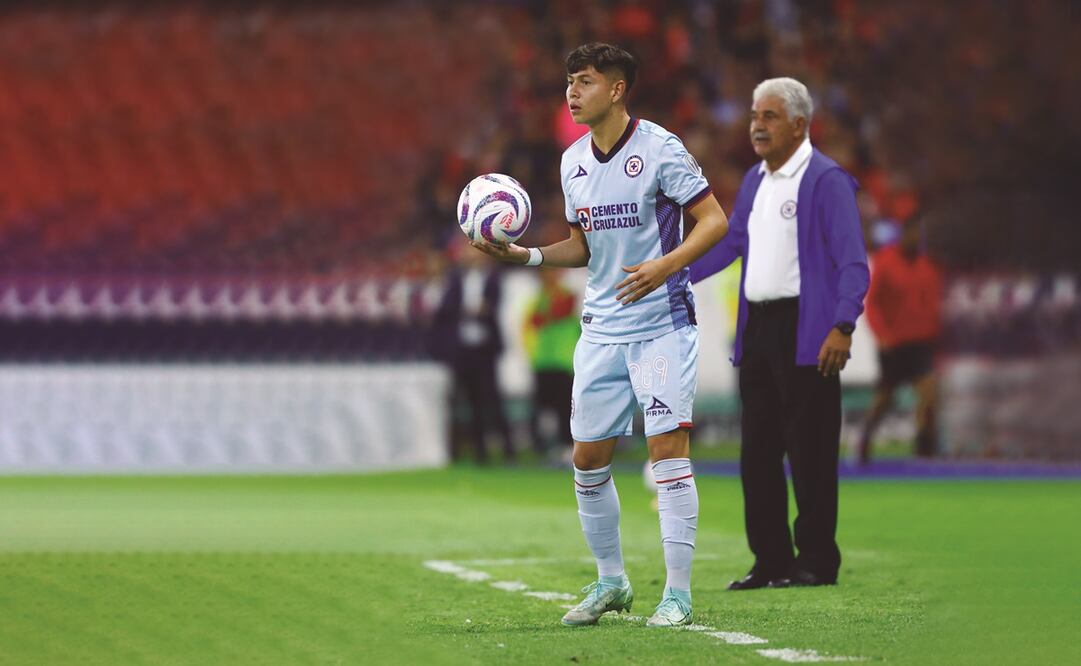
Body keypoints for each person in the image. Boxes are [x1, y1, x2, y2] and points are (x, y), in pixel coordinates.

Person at [471, 42, 729, 627]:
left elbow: (714, 220)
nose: (572, 91)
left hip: (661, 323)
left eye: (585, 80)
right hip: (601, 328)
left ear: (616, 90)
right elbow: (582, 247)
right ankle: (612, 582)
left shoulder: (661, 148)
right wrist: (526, 255)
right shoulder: (572, 162)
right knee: (587, 460)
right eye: (569, 81)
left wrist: (666, 265)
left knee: (667, 451)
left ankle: (678, 595)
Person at [690, 77, 869, 590]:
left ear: (798, 124)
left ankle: (816, 560)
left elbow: (853, 263)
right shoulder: (755, 180)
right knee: (758, 454)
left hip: (807, 329)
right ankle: (770, 559)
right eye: (754, 115)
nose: (756, 125)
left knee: (810, 452)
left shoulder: (826, 180)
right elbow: (732, 245)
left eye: (769, 116)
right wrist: (674, 273)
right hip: (759, 331)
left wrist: (842, 325)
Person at [858, 218, 943, 464]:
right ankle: (866, 438)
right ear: (903, 235)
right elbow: (873, 303)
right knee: (886, 397)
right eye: (912, 234)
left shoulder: (927, 266)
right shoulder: (886, 261)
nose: (916, 240)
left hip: (920, 343)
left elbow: (932, 304)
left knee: (928, 394)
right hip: (893, 344)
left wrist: (933, 333)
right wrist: (881, 334)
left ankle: (924, 448)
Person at [430, 239, 517, 464]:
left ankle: (508, 448)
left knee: (492, 398)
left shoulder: (493, 276)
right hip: (463, 349)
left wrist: (482, 310)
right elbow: (446, 309)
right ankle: (480, 451)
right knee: (471, 400)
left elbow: (494, 304)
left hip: (485, 348)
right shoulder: (456, 278)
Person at [521, 267, 579, 460]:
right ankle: (542, 446)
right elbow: (529, 326)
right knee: (542, 408)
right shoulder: (538, 299)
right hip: (543, 361)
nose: (550, 276)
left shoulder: (567, 296)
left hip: (563, 361)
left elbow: (558, 312)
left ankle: (567, 445)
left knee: (564, 407)